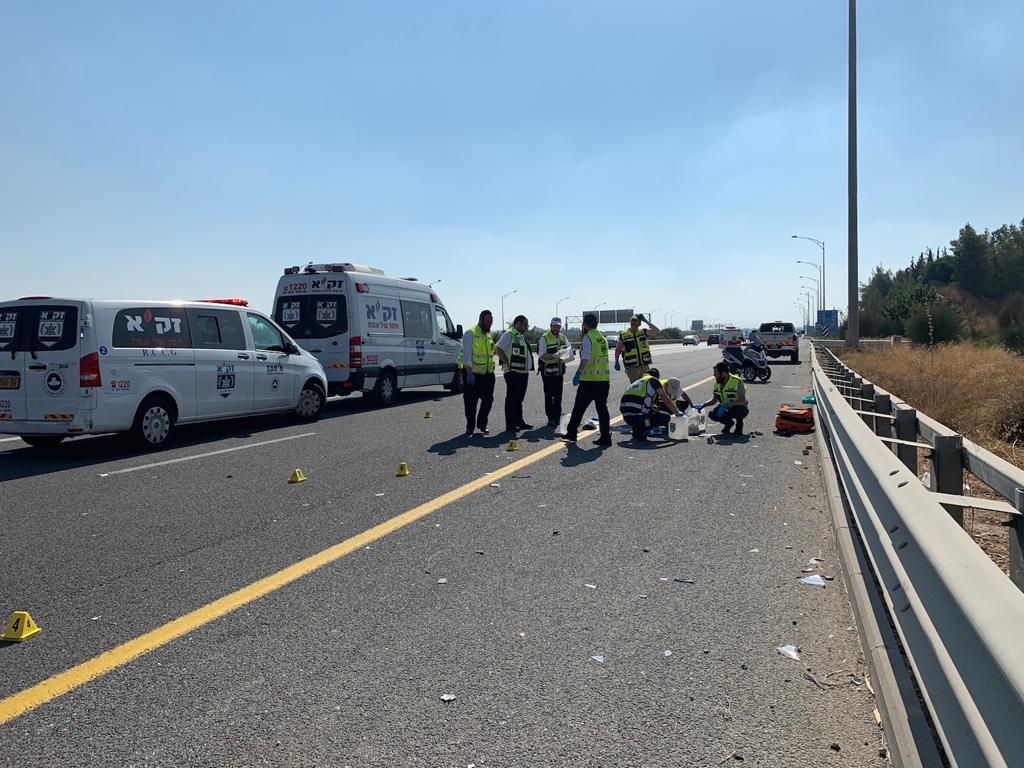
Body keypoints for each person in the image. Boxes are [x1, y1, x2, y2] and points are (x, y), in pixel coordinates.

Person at [563, 313, 612, 447]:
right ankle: (606, 437)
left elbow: (585, 359)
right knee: (602, 409)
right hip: (603, 380)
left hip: (589, 380)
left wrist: (578, 373)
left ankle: (572, 433)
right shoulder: (602, 338)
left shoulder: (587, 338)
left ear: (585, 324)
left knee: (579, 407)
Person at [619, 369, 693, 441]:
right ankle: (640, 429)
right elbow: (666, 401)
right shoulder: (654, 381)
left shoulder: (637, 382)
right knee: (666, 417)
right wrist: (677, 413)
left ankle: (638, 428)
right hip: (639, 416)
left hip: (627, 417)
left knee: (652, 412)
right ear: (657, 377)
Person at [495, 315, 535, 433]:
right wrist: (507, 364)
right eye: (525, 325)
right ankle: (510, 424)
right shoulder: (509, 334)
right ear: (518, 324)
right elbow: (498, 348)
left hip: (522, 372)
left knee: (518, 398)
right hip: (513, 372)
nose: (527, 328)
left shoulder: (519, 336)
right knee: (512, 398)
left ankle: (519, 421)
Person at [462, 310, 496, 436]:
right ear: (481, 319)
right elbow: (467, 356)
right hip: (473, 375)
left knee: (488, 401)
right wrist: (469, 373)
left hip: (487, 375)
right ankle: (469, 427)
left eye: (490, 322)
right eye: (487, 321)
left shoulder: (488, 335)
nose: (489, 324)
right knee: (470, 403)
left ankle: (482, 424)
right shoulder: (470, 333)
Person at [696, 361, 749, 435]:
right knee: (713, 414)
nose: (714, 375)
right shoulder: (717, 384)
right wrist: (703, 405)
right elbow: (714, 400)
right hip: (725, 409)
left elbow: (743, 401)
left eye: (716, 373)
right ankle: (729, 424)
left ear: (723, 373)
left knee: (738, 410)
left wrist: (727, 404)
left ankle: (739, 426)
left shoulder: (737, 381)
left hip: (739, 407)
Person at [538, 317, 574, 427]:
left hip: (559, 371)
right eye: (554, 326)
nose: (556, 328)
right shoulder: (545, 337)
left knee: (558, 396)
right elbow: (541, 355)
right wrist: (554, 355)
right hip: (548, 372)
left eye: (558, 326)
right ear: (550, 326)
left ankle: (557, 417)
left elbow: (569, 349)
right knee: (549, 395)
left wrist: (571, 352)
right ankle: (550, 417)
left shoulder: (563, 337)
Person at [615, 313, 660, 382]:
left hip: (644, 365)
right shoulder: (624, 335)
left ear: (639, 324)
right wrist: (616, 361)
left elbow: (656, 330)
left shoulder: (643, 332)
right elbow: (618, 349)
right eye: (632, 324)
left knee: (645, 385)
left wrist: (646, 321)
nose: (633, 326)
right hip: (631, 367)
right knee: (635, 386)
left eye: (635, 325)